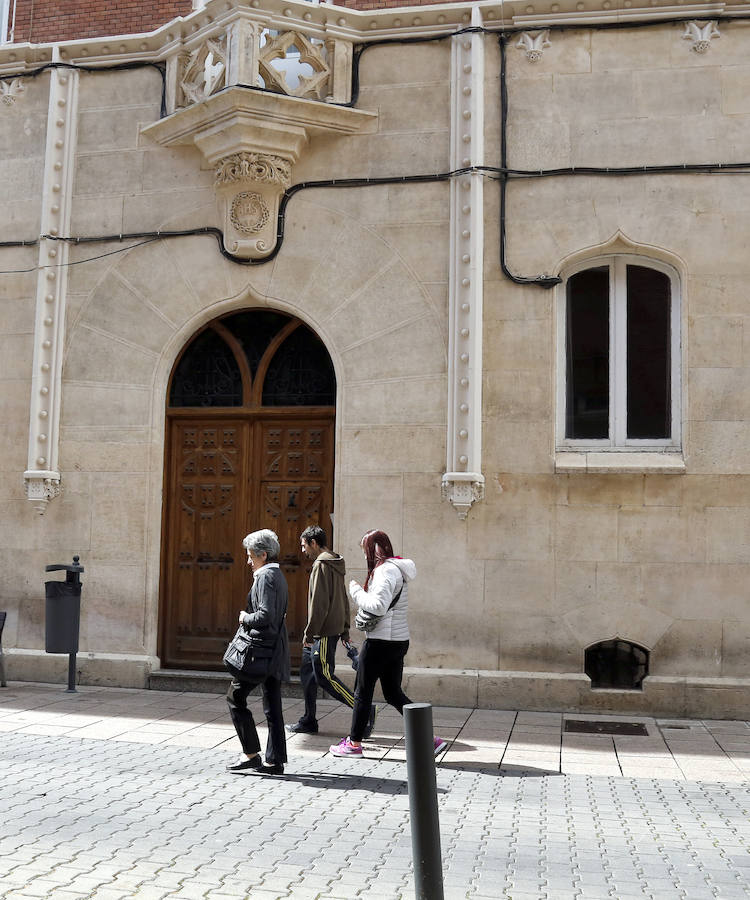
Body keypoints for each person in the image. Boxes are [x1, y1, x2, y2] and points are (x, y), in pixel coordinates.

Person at [329, 529, 447, 759]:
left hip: (380, 643)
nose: (365, 555)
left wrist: (355, 591)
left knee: (362, 692)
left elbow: (379, 606)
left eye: (366, 549)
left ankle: (353, 744)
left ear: (376, 549)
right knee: (393, 693)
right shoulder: (397, 569)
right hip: (397, 641)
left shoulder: (384, 571)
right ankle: (429, 739)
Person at [286, 525, 376, 737]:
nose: (303, 550)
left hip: (323, 632)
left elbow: (319, 604)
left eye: (304, 545)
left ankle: (363, 709)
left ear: (313, 543)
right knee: (308, 675)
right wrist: (345, 628)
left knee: (325, 676)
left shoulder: (321, 564)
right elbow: (342, 598)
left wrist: (309, 634)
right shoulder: (334, 562)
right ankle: (309, 720)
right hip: (328, 630)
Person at [226, 529, 290, 775]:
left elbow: (265, 616)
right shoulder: (278, 575)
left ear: (263, 555)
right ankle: (275, 761)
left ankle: (251, 754)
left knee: (235, 697)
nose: (248, 561)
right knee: (272, 706)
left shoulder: (265, 577)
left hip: (260, 650)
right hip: (274, 649)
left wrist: (245, 618)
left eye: (251, 556)